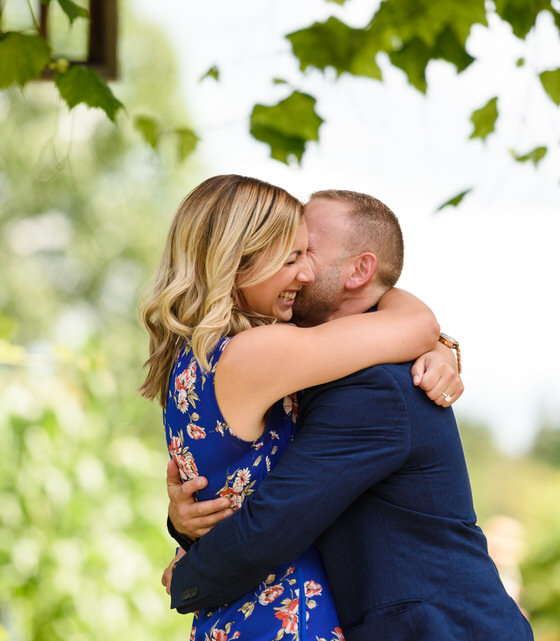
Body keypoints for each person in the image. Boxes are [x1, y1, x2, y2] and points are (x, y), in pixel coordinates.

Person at [165, 190, 534, 641]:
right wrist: (184, 524)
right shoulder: (288, 359)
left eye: (306, 251)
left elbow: (273, 522)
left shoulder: (374, 386)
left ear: (359, 271)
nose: (300, 271)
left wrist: (185, 576)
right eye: (288, 254)